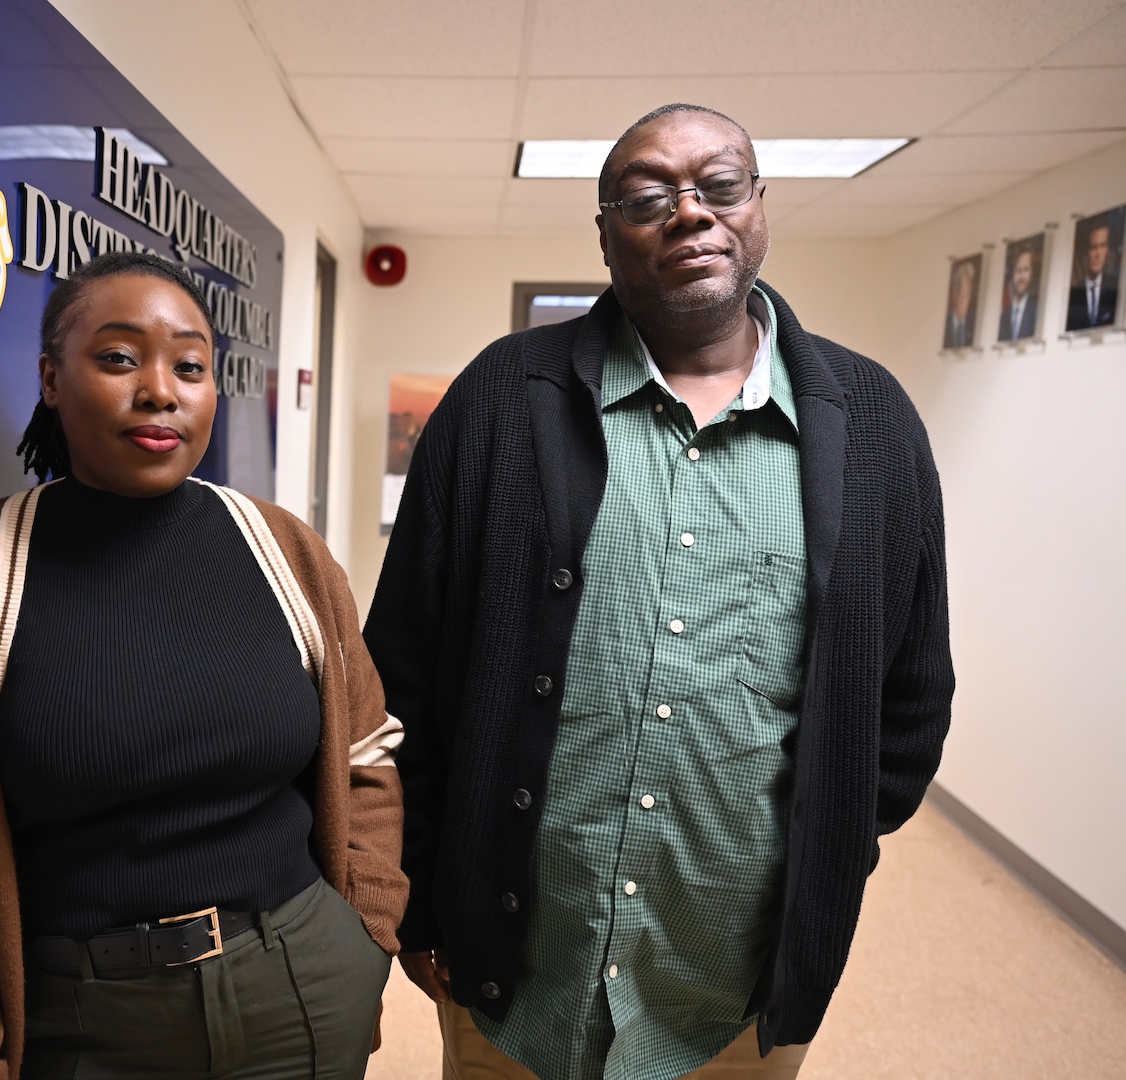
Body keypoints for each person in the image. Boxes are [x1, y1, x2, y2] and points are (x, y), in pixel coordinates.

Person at [365, 104, 953, 1080]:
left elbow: (911, 692)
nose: (689, 213)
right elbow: (403, 677)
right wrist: (426, 899)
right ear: (605, 232)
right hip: (513, 971)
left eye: (719, 185)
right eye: (646, 196)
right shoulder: (499, 404)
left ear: (759, 207)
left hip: (736, 982)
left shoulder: (876, 426)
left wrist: (828, 845)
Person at [0, 251, 407, 1080]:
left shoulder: (282, 549)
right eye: (117, 358)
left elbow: (366, 751)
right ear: (49, 377)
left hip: (299, 985)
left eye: (189, 365)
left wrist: (365, 931)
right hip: (84, 1017)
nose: (160, 390)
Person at [1065, 221, 1119, 331]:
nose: (1098, 254)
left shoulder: (1115, 286)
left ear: (1107, 250)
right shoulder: (1073, 294)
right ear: (1086, 252)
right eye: (1093, 247)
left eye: (1102, 246)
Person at [997, 243, 1039, 341]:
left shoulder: (1037, 311)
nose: (1021, 277)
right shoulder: (1004, 317)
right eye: (1018, 270)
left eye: (1025, 270)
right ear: (1012, 274)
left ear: (1031, 273)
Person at [942, 257, 978, 348]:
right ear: (955, 293)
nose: (963, 302)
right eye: (961, 295)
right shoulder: (946, 323)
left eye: (967, 295)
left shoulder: (974, 322)